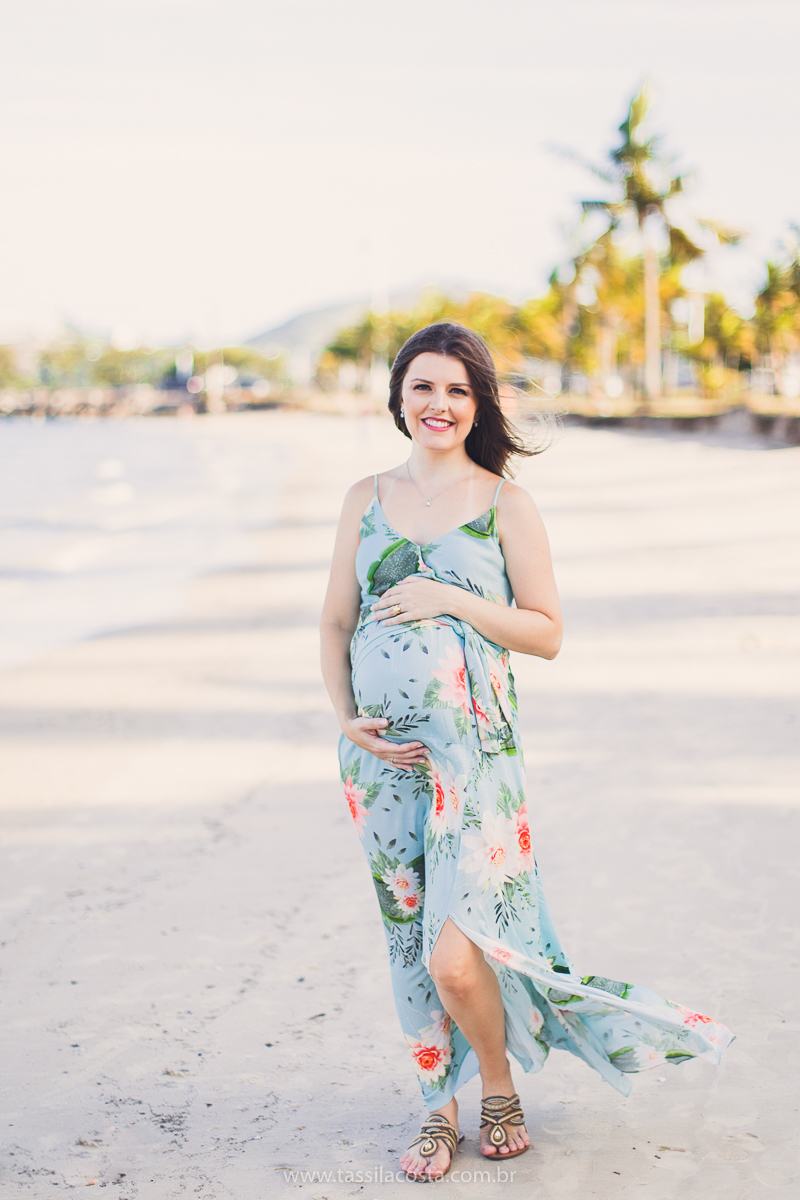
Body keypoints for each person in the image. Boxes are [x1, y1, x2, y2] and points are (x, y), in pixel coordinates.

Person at [320, 322, 733, 1182]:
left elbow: (546, 633)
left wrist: (452, 599)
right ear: (398, 396)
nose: (439, 404)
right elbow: (334, 622)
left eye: (457, 390)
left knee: (455, 953)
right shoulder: (364, 496)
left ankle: (498, 1083)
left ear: (479, 405)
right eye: (423, 387)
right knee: (407, 941)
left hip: (476, 764)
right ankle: (438, 1109)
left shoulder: (506, 503)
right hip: (381, 763)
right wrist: (345, 717)